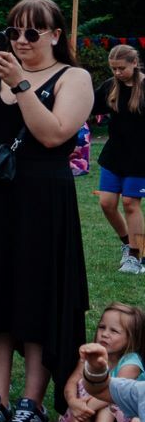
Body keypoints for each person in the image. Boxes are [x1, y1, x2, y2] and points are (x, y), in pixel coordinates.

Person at [0, 0, 93, 422]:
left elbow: (52, 135)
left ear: (55, 35)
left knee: (36, 295)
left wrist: (23, 85)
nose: (22, 41)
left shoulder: (75, 77)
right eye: (14, 32)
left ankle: (31, 401)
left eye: (32, 32)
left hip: (41, 198)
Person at [45, 303, 145, 422]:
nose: (105, 334)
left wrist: (81, 412)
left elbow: (113, 393)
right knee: (83, 383)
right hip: (94, 408)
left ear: (131, 338)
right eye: (102, 327)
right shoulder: (90, 355)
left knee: (110, 397)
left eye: (114, 331)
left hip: (127, 415)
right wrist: (73, 402)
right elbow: (72, 382)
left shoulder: (131, 362)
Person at [92, 45, 145, 273]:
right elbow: (88, 106)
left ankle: (139, 255)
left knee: (130, 204)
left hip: (141, 157)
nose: (116, 73)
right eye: (113, 68)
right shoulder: (110, 86)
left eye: (121, 68)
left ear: (134, 63)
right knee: (106, 203)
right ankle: (127, 244)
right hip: (114, 155)